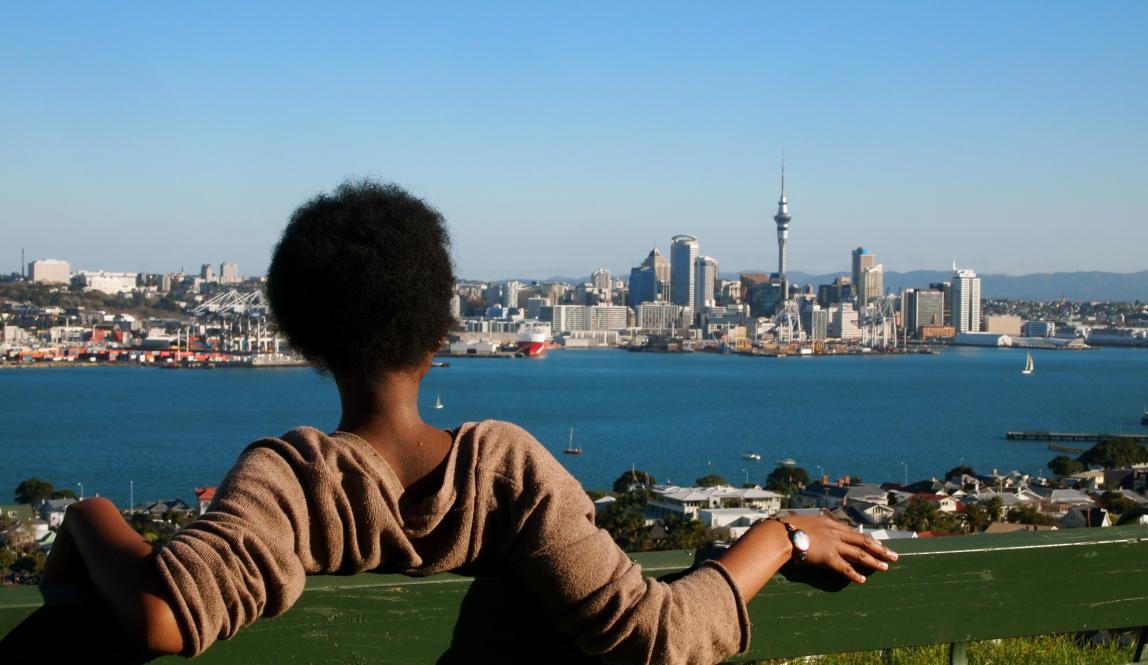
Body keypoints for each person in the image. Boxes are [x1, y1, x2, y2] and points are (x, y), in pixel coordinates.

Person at [11, 180, 897, 663]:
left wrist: (90, 515)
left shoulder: (291, 478)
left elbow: (165, 614)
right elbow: (658, 634)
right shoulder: (504, 471)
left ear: (306, 340)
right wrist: (780, 537)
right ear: (442, 330)